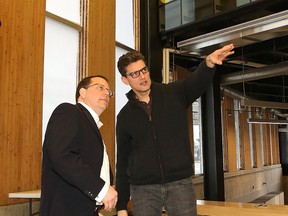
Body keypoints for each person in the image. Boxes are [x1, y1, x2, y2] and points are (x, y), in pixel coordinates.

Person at [115, 44, 234, 216]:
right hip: (143, 190)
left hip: (180, 184)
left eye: (144, 70)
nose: (142, 76)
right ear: (125, 80)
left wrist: (208, 63)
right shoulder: (125, 116)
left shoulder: (173, 93)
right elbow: (123, 162)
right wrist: (121, 207)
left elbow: (195, 83)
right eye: (135, 73)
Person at [39, 75, 118, 216]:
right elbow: (62, 155)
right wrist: (100, 189)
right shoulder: (69, 111)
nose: (107, 93)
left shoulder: (92, 126)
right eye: (100, 88)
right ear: (82, 92)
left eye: (109, 91)